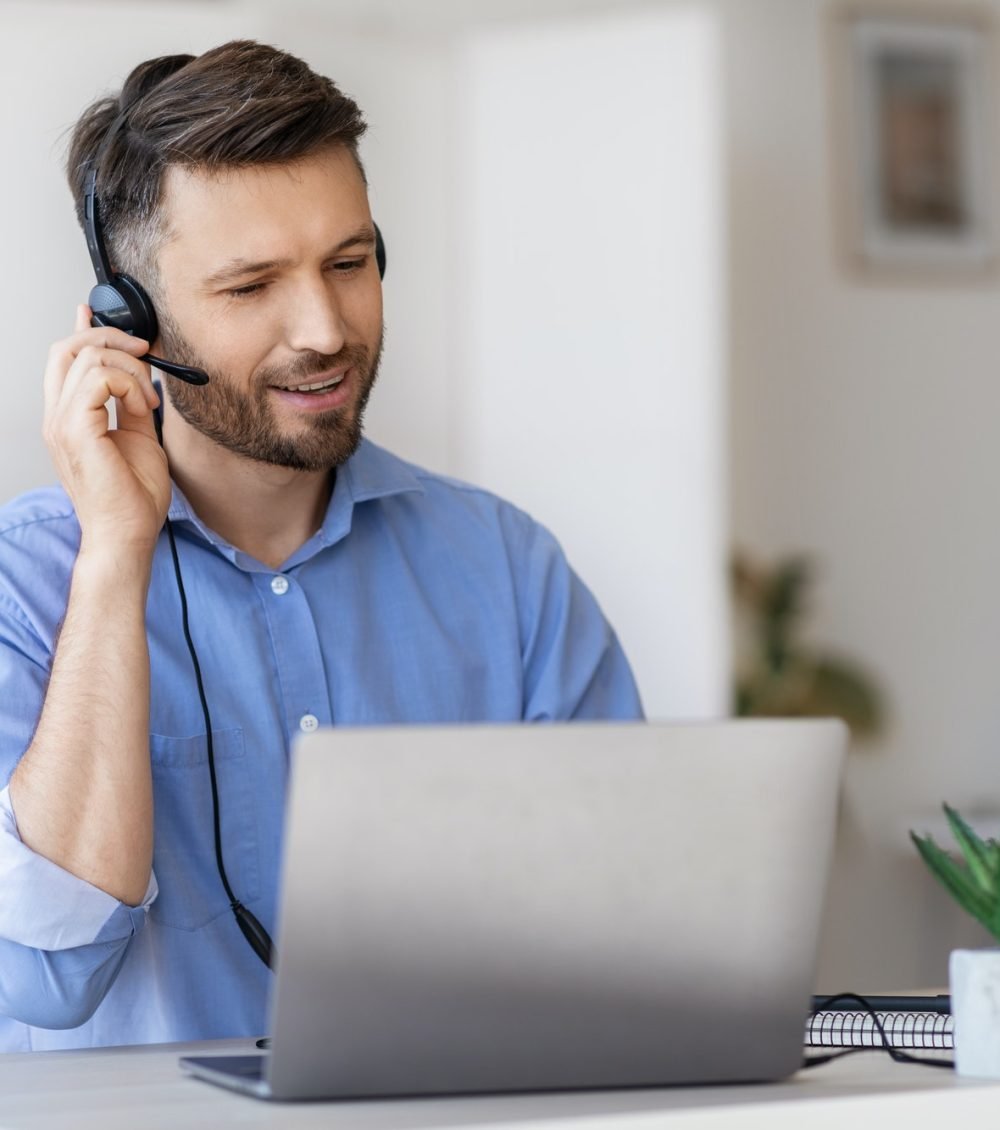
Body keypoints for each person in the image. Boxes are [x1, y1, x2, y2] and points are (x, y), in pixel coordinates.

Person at [0, 41, 643, 1052]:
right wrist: (116, 556)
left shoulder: (506, 570)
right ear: (128, 321)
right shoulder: (25, 588)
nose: (324, 328)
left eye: (348, 263)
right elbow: (46, 970)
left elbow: (630, 933)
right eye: (250, 286)